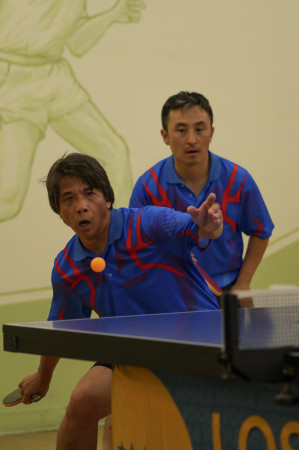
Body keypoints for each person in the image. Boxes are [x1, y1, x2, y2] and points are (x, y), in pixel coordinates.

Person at [18, 152, 223, 450]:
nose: (81, 207)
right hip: (134, 351)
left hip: (199, 343)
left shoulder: (148, 224)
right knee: (81, 402)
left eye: (89, 194)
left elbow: (198, 228)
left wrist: (209, 225)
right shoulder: (68, 269)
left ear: (107, 199)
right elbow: (61, 326)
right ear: (60, 212)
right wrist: (42, 377)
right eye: (69, 199)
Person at [0, 0, 146, 222]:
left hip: (55, 78)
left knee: (115, 154)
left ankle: (124, 239)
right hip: (16, 80)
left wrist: (113, 14)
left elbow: (77, 42)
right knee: (9, 200)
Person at [129, 91, 274, 296]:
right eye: (181, 130)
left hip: (226, 290)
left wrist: (243, 284)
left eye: (199, 129)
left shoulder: (238, 179)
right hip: (172, 293)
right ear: (165, 136)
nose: (191, 139)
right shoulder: (147, 186)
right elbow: (135, 244)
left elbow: (262, 231)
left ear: (211, 133)